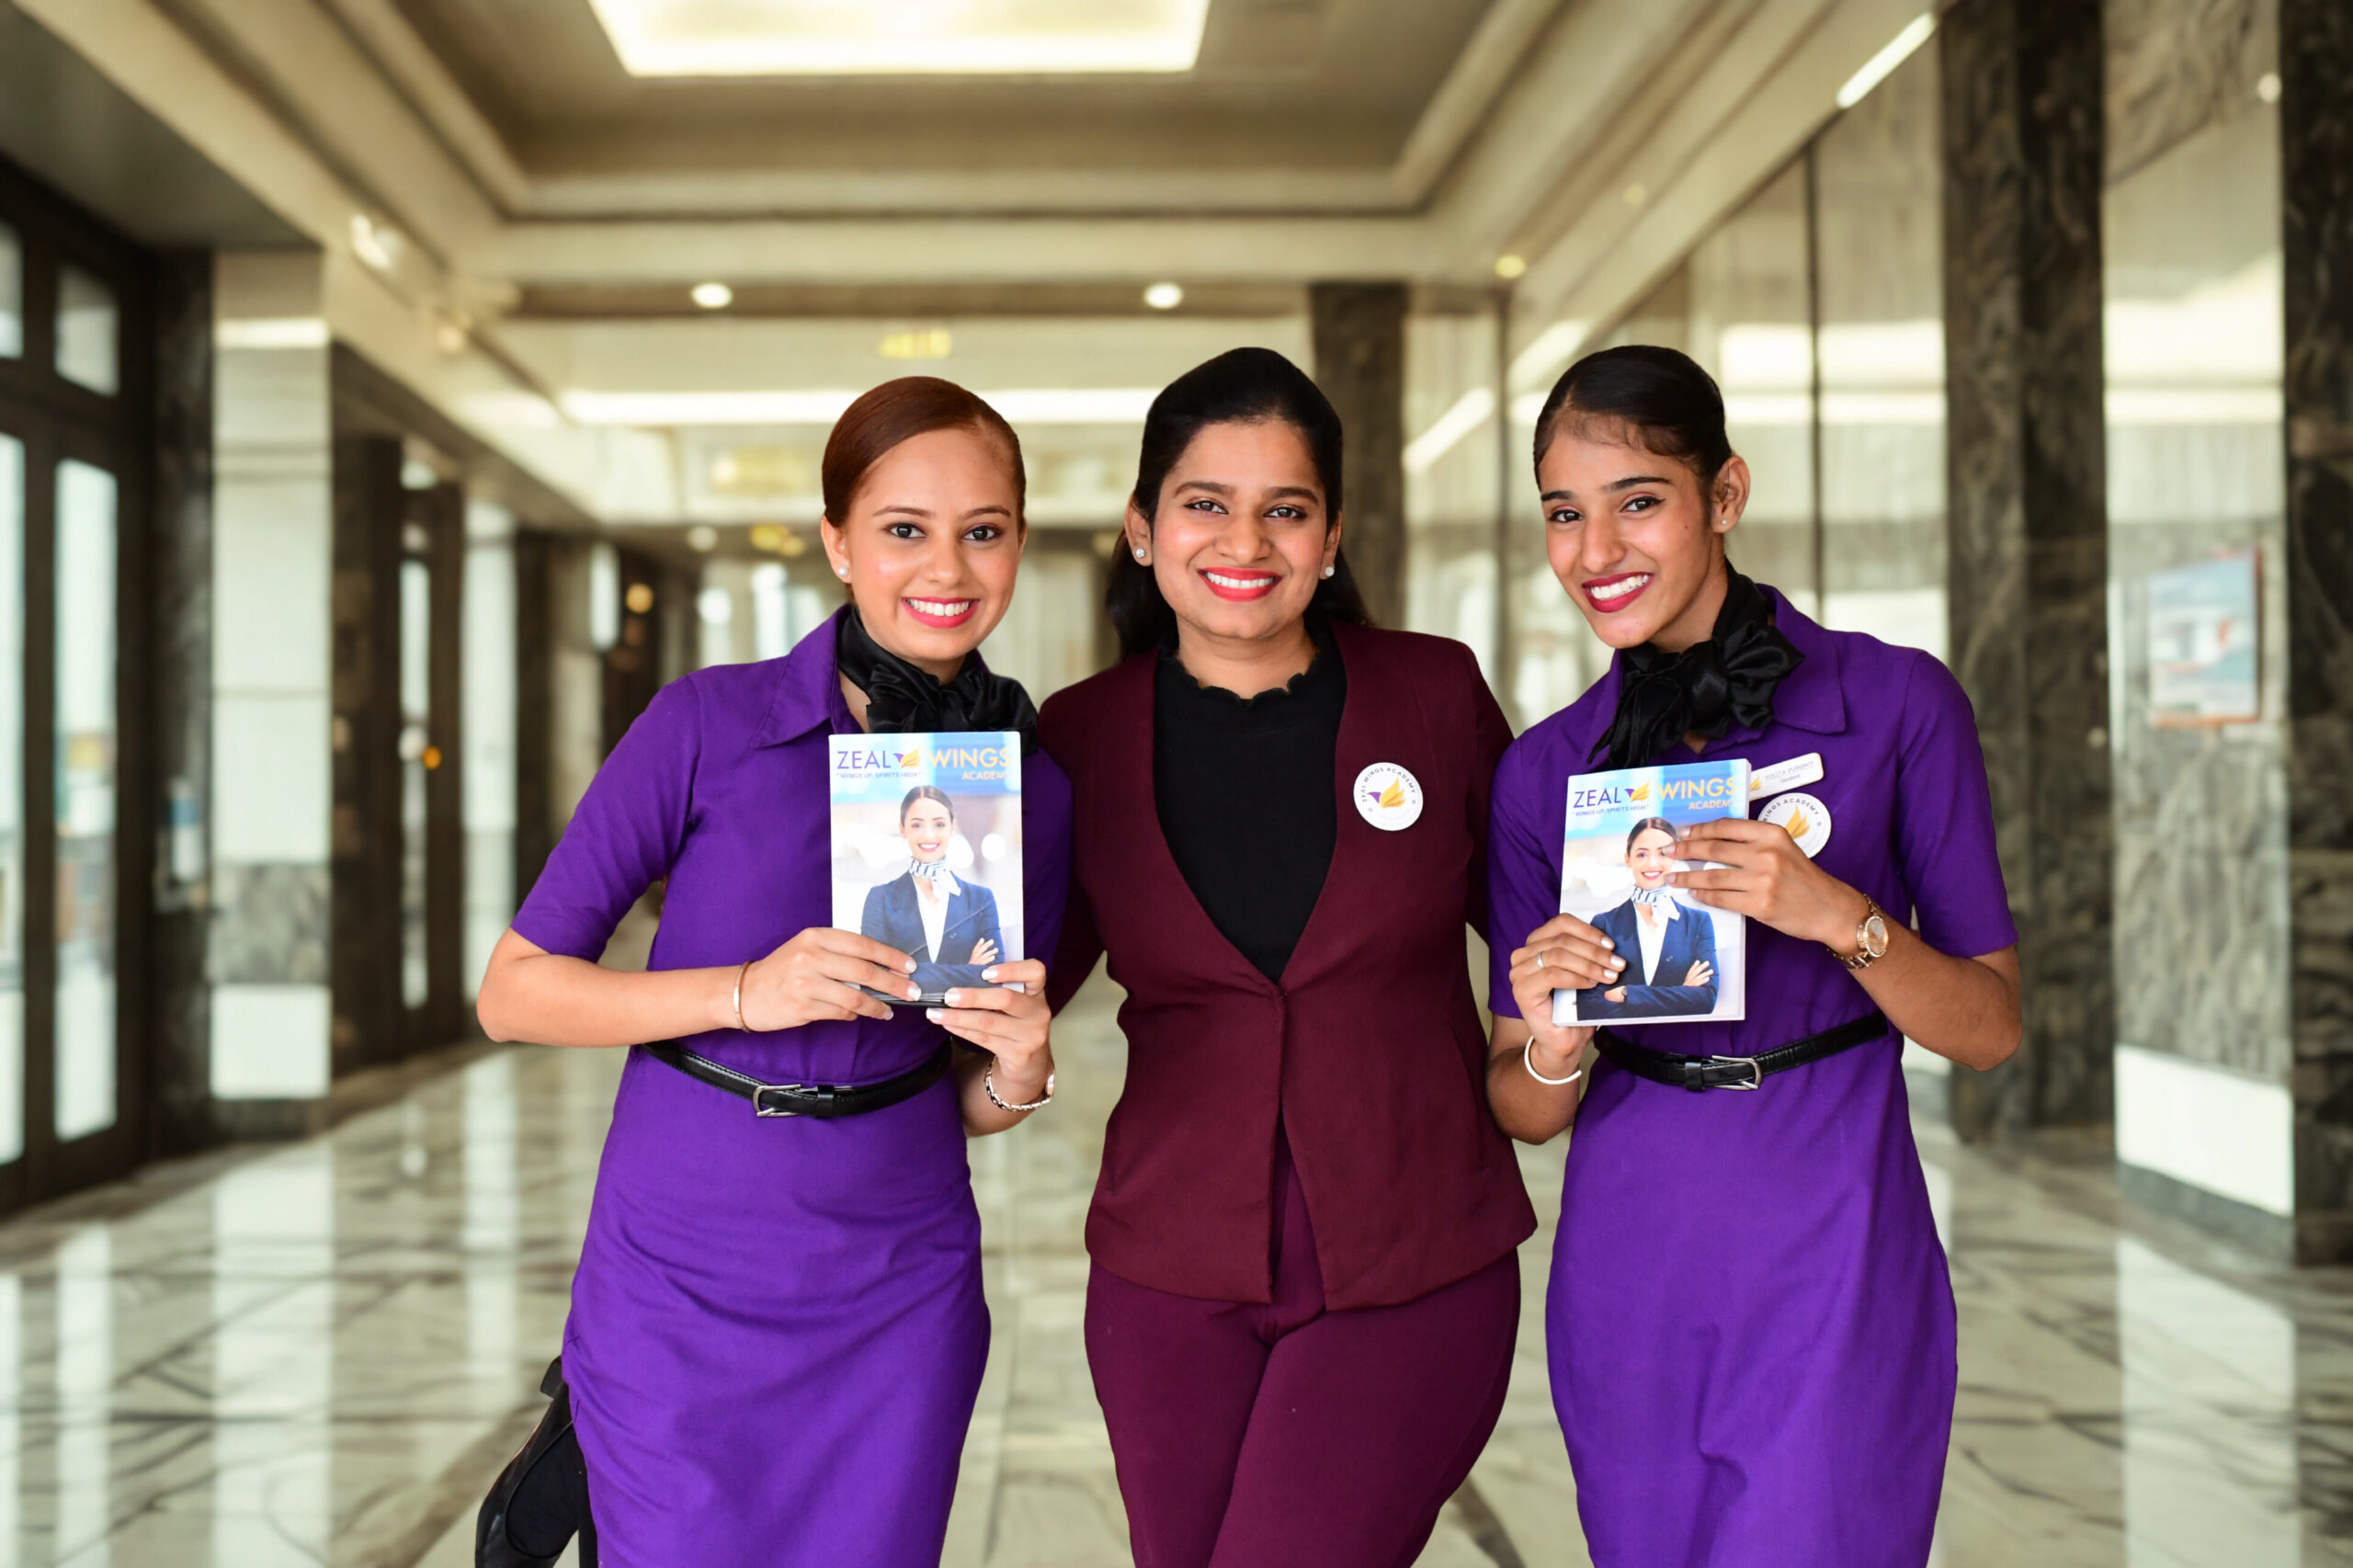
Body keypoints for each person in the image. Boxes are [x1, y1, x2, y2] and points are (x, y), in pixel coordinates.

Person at [470, 376, 1074, 1568]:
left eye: (983, 530)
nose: (945, 566)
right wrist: (745, 989)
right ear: (838, 542)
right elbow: (516, 987)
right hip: (681, 1267)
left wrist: (1021, 1066)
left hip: (900, 1280)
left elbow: (971, 1095)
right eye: (904, 528)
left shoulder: (1028, 789)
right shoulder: (708, 723)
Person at [1482, 345, 2022, 1567]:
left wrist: (1842, 917)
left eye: (1639, 501)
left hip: (1829, 1223)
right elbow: (1519, 1101)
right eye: (1564, 512)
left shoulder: (1894, 705)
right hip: (1631, 1248)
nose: (1595, 550)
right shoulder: (1547, 771)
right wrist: (1559, 1044)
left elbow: (1990, 1027)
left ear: (1724, 496)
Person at [1040, 347, 1533, 1568]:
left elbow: (1542, 933)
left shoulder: (1433, 694)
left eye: (1286, 508)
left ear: (1331, 535)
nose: (1244, 539)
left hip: (1414, 1255)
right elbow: (998, 986)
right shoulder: (1080, 737)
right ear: (1143, 530)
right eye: (1205, 502)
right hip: (1169, 1275)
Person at [860, 784, 1006, 997]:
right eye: (917, 825)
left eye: (939, 824)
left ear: (952, 827)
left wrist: (909, 974)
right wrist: (969, 970)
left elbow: (993, 977)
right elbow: (872, 978)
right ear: (902, 829)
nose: (929, 835)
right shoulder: (880, 898)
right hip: (898, 1021)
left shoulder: (981, 899)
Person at [1574, 816, 1718, 1021]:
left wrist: (1628, 994)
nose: (1652, 863)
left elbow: (1706, 999)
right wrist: (1682, 994)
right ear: (1628, 858)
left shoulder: (1697, 922)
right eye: (1642, 854)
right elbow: (1589, 1007)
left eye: (1663, 853)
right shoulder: (1604, 923)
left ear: (1675, 857)